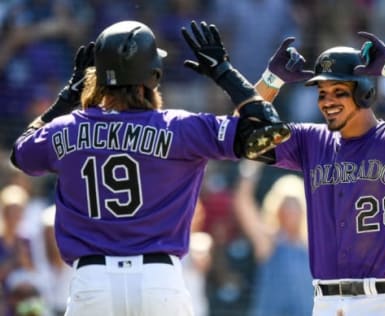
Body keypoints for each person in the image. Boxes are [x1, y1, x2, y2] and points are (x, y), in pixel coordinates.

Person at [9, 20, 293, 316]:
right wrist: (223, 72)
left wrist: (65, 101)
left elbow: (20, 153)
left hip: (92, 285)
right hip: (159, 283)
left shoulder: (63, 130)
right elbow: (268, 131)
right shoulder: (180, 128)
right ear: (153, 74)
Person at [226, 31, 385, 315]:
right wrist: (272, 81)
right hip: (327, 303)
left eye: (339, 92)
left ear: (365, 92)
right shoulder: (310, 141)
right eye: (322, 93)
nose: (327, 102)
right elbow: (237, 136)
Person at [233, 160, 312, 316]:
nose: (290, 210)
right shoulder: (269, 242)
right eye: (286, 204)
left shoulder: (312, 245)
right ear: (276, 208)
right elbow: (243, 203)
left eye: (295, 204)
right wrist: (251, 167)